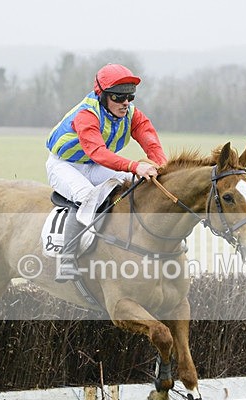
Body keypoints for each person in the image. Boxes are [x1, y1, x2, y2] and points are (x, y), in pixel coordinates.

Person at [46, 63, 167, 281]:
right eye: (118, 97)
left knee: (136, 183)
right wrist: (135, 166)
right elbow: (98, 152)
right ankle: (67, 259)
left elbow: (150, 141)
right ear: (102, 96)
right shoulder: (87, 115)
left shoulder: (131, 114)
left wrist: (163, 166)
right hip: (65, 164)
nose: (125, 103)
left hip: (93, 164)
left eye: (130, 96)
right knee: (87, 196)